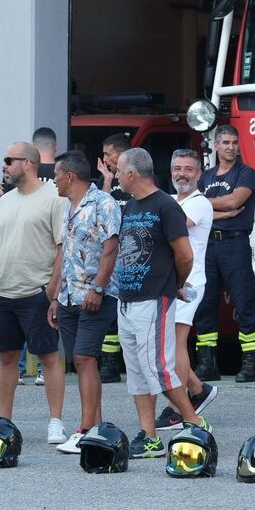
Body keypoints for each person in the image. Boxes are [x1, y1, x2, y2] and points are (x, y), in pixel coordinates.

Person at [114, 147, 209, 458]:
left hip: (154, 299)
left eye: (118, 171)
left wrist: (175, 285)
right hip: (128, 300)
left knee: (159, 368)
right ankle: (149, 435)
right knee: (138, 372)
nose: (115, 176)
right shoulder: (129, 206)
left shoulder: (166, 206)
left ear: (131, 174)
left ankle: (195, 425)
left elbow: (185, 255)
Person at [0, 141, 67, 444]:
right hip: (1, 293)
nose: (4, 166)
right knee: (6, 358)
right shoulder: (5, 200)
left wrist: (52, 291)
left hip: (36, 293)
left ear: (28, 163)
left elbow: (62, 249)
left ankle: (55, 422)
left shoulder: (54, 198)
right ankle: (3, 421)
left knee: (49, 357)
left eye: (9, 160)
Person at [49, 150, 121, 454]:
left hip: (95, 296)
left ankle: (86, 429)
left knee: (84, 358)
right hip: (68, 297)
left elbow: (111, 248)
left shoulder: (104, 203)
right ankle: (98, 432)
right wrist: (55, 297)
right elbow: (65, 255)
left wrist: (99, 288)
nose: (53, 181)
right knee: (82, 363)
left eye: (55, 176)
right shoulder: (69, 206)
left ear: (70, 176)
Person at [155, 149, 217, 431]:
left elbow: (173, 227)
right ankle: (197, 389)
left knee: (175, 345)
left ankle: (178, 408)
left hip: (190, 282)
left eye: (188, 169)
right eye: (177, 168)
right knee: (169, 346)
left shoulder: (199, 203)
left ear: (199, 174)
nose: (182, 174)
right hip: (170, 282)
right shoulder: (168, 200)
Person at [194, 124, 255, 382]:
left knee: (244, 303)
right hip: (208, 245)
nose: (231, 147)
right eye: (226, 143)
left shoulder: (246, 174)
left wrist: (207, 205)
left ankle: (251, 364)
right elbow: (194, 207)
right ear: (216, 145)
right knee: (205, 304)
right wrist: (220, 212)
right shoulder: (206, 176)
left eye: (235, 142)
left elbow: (235, 201)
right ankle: (207, 363)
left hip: (235, 244)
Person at [95, 132, 132, 382]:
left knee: (131, 310)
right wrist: (107, 181)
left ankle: (132, 363)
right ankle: (109, 364)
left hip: (133, 253)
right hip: (111, 253)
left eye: (108, 154)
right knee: (109, 308)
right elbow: (100, 212)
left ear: (121, 154)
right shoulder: (105, 180)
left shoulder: (137, 175)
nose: (105, 158)